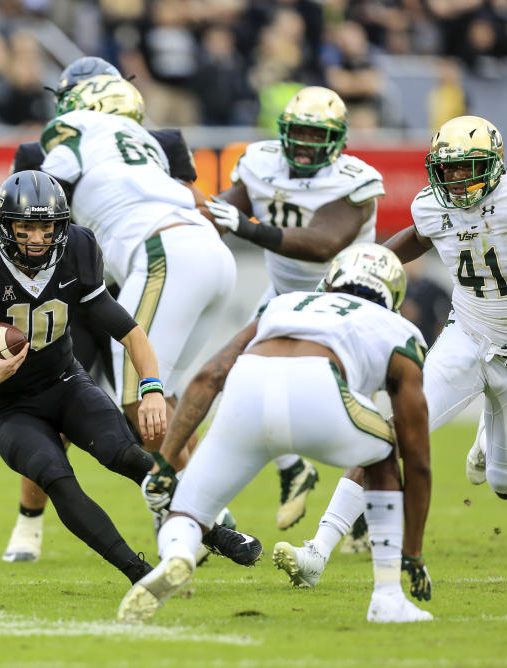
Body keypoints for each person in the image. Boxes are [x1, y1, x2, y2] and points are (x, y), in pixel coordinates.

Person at [278, 115, 507, 587]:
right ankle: (317, 551)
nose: (457, 178)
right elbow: (416, 236)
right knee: (390, 434)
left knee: (504, 485)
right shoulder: (432, 204)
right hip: (466, 335)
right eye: (447, 169)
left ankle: (490, 435)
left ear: (494, 164)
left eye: (469, 166)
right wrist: (367, 265)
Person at [0, 171, 260, 584]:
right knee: (55, 475)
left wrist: (152, 389)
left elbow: (130, 331)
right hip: (9, 406)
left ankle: (219, 535)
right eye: (25, 227)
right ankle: (141, 574)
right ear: (4, 225)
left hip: (66, 384)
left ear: (60, 227)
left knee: (132, 458)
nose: (35, 238)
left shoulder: (77, 249)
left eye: (45, 227)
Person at [121, 244, 433, 624]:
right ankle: (388, 597)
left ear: (332, 279)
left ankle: (178, 555)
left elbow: (209, 376)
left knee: (189, 508)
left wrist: (166, 463)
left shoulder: (287, 304)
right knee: (384, 449)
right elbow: (417, 459)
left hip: (246, 389)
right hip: (321, 391)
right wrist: (413, 553)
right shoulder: (399, 329)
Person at [1, 56, 201, 564]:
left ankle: (192, 508)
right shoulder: (45, 150)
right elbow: (26, 230)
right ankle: (29, 522)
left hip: (136, 280)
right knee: (53, 410)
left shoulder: (161, 145)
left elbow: (185, 201)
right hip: (71, 294)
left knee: (156, 398)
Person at [203, 85, 384, 542]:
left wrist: (245, 226)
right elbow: (225, 209)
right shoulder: (260, 161)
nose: (303, 142)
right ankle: (293, 469)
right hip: (284, 295)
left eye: (314, 134)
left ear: (338, 139)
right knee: (242, 378)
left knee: (351, 409)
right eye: (297, 132)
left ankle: (359, 510)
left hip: (347, 300)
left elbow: (323, 243)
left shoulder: (355, 180)